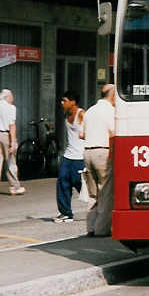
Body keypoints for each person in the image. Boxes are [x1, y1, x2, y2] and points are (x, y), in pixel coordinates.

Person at [82, 83, 116, 236]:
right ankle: (102, 230)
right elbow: (113, 133)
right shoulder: (110, 111)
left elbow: (81, 134)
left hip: (87, 152)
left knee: (92, 193)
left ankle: (91, 227)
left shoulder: (90, 110)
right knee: (106, 191)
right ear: (113, 95)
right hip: (103, 152)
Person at [55, 90, 85, 223]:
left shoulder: (82, 114)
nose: (62, 103)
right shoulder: (66, 114)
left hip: (80, 156)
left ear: (73, 102)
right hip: (68, 155)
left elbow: (90, 131)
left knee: (80, 184)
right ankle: (66, 212)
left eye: (64, 100)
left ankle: (97, 208)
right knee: (62, 181)